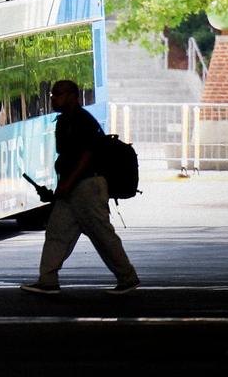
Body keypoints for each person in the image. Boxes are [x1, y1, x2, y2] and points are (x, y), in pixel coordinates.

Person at [21, 80, 139, 295]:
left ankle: (127, 277)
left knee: (102, 234)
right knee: (57, 232)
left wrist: (67, 184)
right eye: (53, 95)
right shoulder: (65, 121)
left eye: (58, 94)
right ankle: (47, 280)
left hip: (87, 187)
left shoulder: (82, 121)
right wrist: (61, 188)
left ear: (73, 96)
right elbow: (67, 158)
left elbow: (86, 156)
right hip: (74, 187)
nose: (54, 99)